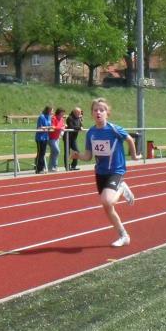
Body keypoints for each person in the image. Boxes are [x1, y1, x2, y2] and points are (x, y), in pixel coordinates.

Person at [71, 98, 141, 247]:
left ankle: (121, 187)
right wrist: (78, 155)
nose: (98, 112)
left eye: (101, 110)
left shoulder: (114, 129)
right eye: (95, 110)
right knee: (108, 207)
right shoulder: (91, 133)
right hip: (100, 172)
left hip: (116, 170)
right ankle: (124, 236)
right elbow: (88, 156)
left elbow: (129, 139)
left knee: (107, 200)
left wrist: (134, 156)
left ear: (107, 113)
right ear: (91, 113)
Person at [35, 106, 52, 173]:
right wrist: (48, 127)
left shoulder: (49, 117)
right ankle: (38, 169)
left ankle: (42, 167)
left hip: (46, 137)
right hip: (40, 138)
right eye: (51, 111)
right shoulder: (41, 117)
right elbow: (39, 127)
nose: (52, 112)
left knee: (43, 153)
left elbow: (49, 126)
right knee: (40, 153)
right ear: (48, 110)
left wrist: (50, 128)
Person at [48, 108, 65, 172]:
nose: (62, 115)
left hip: (57, 137)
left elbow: (63, 126)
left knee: (53, 152)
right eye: (61, 113)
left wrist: (62, 129)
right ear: (58, 113)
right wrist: (60, 128)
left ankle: (50, 167)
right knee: (57, 151)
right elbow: (53, 126)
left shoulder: (62, 119)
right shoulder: (53, 118)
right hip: (51, 138)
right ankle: (55, 166)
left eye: (63, 114)